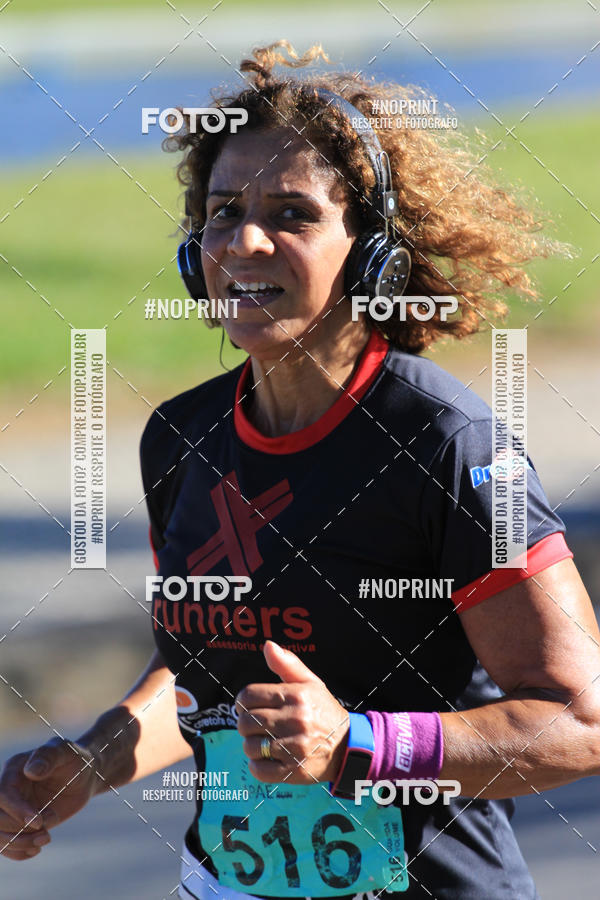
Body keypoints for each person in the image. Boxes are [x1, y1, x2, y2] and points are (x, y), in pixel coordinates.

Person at [2, 40, 600, 900]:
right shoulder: (182, 437)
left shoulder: (457, 448)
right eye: (220, 212)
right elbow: (206, 686)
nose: (244, 240)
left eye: (292, 213)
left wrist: (357, 745)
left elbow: (577, 720)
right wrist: (90, 761)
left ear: (371, 253)